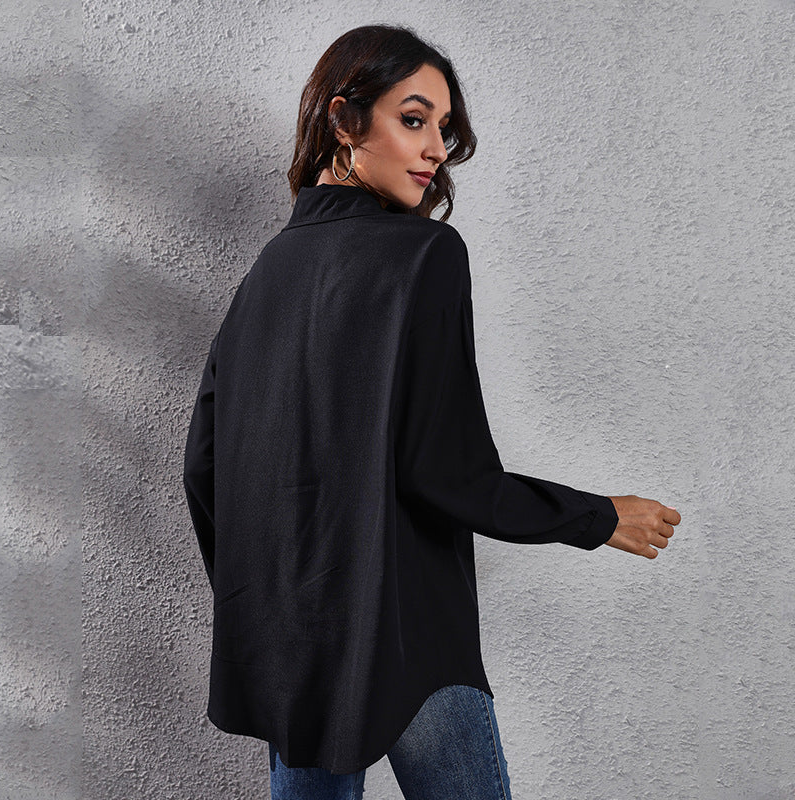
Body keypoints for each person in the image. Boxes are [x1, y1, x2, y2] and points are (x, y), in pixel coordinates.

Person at [182, 24, 681, 800]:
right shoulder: (424, 254)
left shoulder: (268, 271)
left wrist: (269, 601)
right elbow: (446, 472)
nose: (435, 149)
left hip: (294, 651)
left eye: (443, 129)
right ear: (345, 120)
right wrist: (598, 516)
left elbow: (204, 467)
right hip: (405, 633)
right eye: (414, 119)